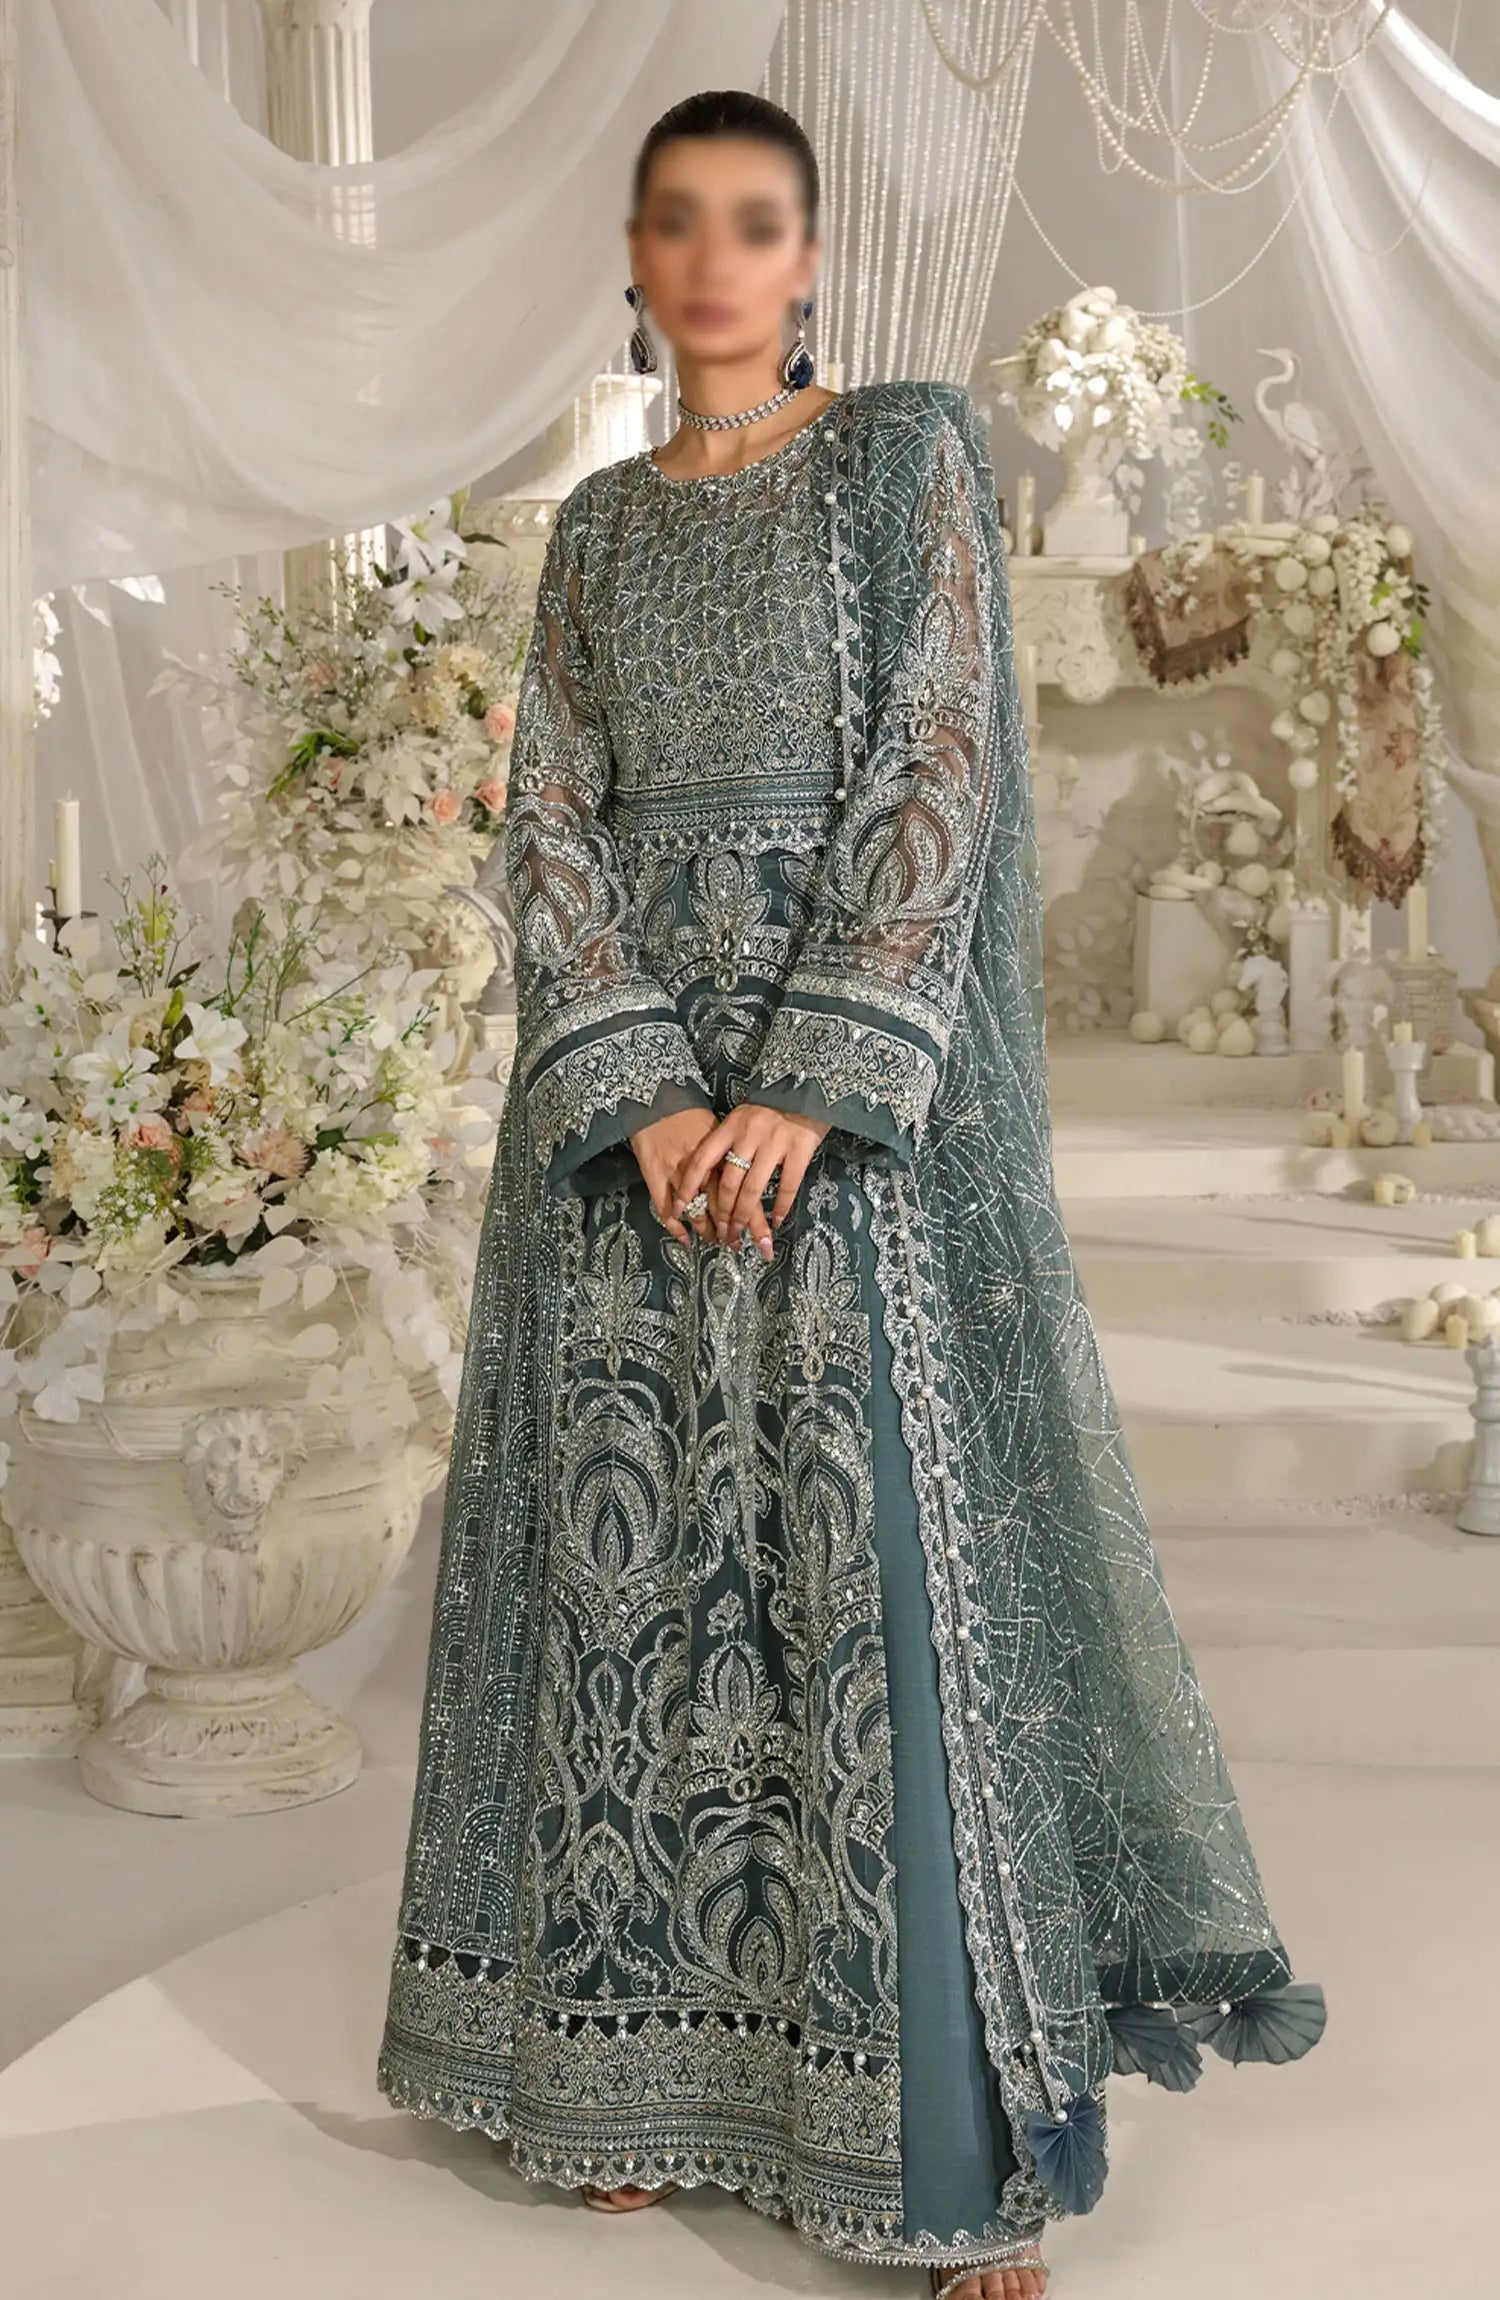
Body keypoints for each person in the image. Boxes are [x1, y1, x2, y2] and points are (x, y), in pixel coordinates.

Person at [377, 88, 1325, 2300]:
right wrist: (641, 1097)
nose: (716, 258)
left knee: (861, 1585)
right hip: (631, 1142)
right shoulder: (597, 532)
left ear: (806, 261)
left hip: (841, 1121)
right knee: (632, 1589)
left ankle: (949, 2148)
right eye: (679, 222)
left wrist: (805, 1091)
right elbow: (548, 820)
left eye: (756, 223)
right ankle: (627, 2080)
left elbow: (940, 760)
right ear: (639, 256)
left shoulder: (903, 459)